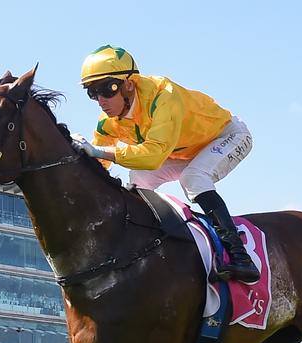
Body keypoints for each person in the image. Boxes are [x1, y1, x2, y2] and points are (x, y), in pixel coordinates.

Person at [72, 45, 259, 283]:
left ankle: (240, 257)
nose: (100, 100)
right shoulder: (108, 122)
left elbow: (153, 156)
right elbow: (98, 164)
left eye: (106, 89)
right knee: (139, 179)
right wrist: (77, 157)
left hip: (227, 136)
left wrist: (98, 150)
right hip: (181, 151)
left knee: (193, 178)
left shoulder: (164, 97)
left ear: (129, 84)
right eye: (92, 92)